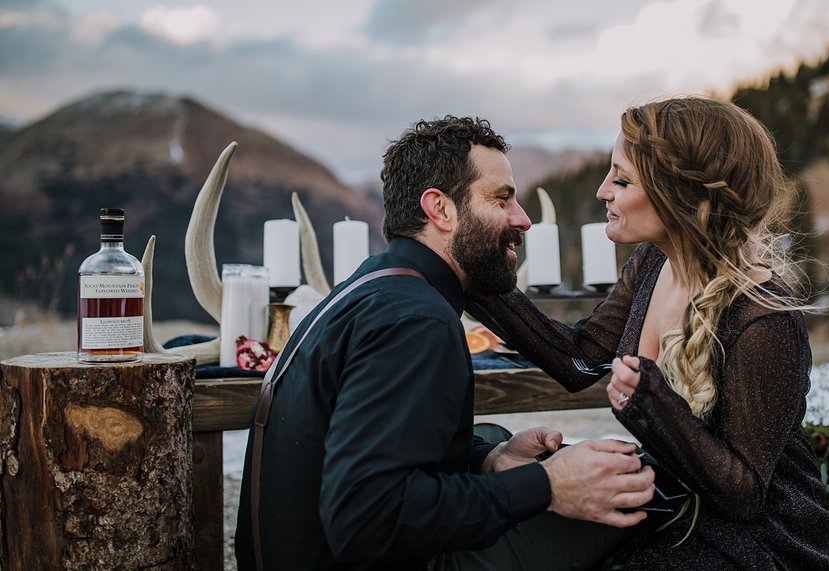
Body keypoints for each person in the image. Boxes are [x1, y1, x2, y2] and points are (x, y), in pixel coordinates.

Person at [466, 97, 829, 570]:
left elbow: (743, 494)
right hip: (676, 509)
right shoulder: (653, 263)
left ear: (683, 195)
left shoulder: (764, 317)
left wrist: (655, 407)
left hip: (761, 538)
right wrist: (471, 275)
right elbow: (579, 359)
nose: (602, 191)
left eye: (623, 179)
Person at [234, 116, 656, 570]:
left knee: (491, 438)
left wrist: (489, 460)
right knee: (634, 499)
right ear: (441, 209)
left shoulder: (371, 287)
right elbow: (365, 519)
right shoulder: (416, 321)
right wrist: (550, 486)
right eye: (502, 199)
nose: (523, 220)